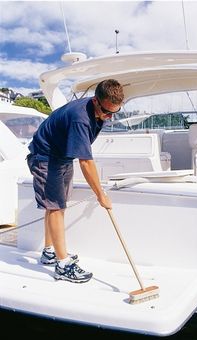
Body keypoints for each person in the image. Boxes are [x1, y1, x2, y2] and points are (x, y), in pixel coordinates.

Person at [27, 79, 124, 284]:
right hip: (45, 157)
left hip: (62, 157)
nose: (108, 117)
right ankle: (62, 265)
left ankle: (49, 251)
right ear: (96, 101)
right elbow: (86, 162)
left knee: (56, 207)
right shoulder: (80, 118)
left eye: (113, 113)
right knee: (55, 207)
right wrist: (101, 195)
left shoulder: (97, 111)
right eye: (106, 112)